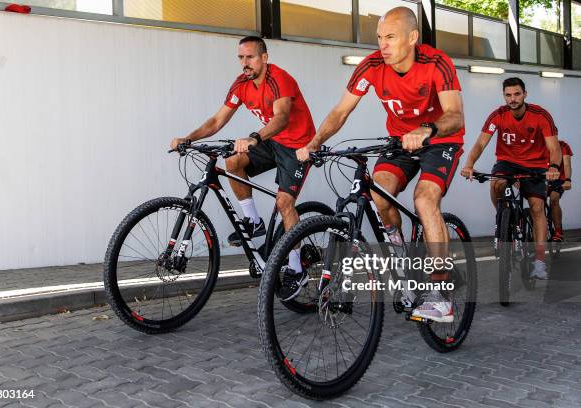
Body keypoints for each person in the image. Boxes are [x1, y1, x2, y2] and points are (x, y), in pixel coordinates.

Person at [296, 7, 465, 322]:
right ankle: (399, 252)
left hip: (439, 141)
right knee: (378, 192)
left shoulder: (436, 63)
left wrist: (427, 129)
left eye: (390, 37)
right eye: (379, 38)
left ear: (412, 38)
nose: (382, 45)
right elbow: (340, 111)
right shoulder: (372, 66)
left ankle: (442, 297)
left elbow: (455, 114)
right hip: (400, 143)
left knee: (425, 200)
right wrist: (314, 143)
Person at [170, 36, 316, 301]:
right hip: (271, 141)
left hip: (297, 145)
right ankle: (254, 220)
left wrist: (254, 138)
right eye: (241, 57)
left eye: (250, 57)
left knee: (285, 204)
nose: (244, 63)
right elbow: (217, 119)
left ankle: (297, 270)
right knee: (233, 161)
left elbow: (281, 117)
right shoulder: (241, 84)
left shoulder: (280, 79)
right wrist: (189, 138)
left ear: (264, 57)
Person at [461, 77, 561, 279]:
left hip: (535, 164)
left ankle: (539, 262)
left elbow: (554, 147)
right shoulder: (498, 115)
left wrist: (553, 166)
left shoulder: (540, 115)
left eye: (517, 94)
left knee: (537, 207)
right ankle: (504, 219)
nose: (513, 98)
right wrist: (469, 164)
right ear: (504, 96)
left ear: (525, 94)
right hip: (507, 161)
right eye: (508, 95)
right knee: (496, 182)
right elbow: (480, 144)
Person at [548, 140, 573, 242]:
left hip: (559, 179)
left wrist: (567, 180)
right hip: (541, 178)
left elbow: (567, 165)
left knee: (554, 199)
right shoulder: (536, 146)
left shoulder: (563, 146)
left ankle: (558, 232)